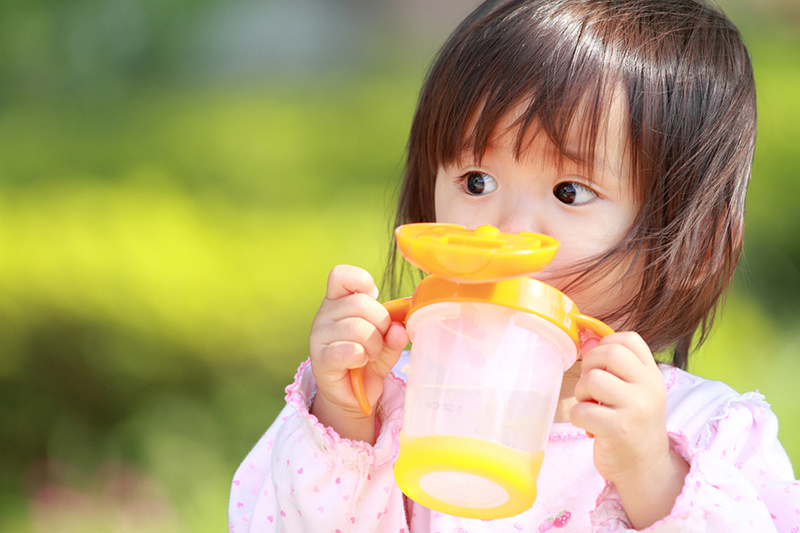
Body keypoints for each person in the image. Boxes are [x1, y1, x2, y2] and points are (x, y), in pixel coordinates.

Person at [229, 0, 800, 531]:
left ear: (694, 245)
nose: (503, 230)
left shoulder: (708, 432)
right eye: (477, 181)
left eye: (570, 192)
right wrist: (342, 420)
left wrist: (654, 477)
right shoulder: (393, 405)